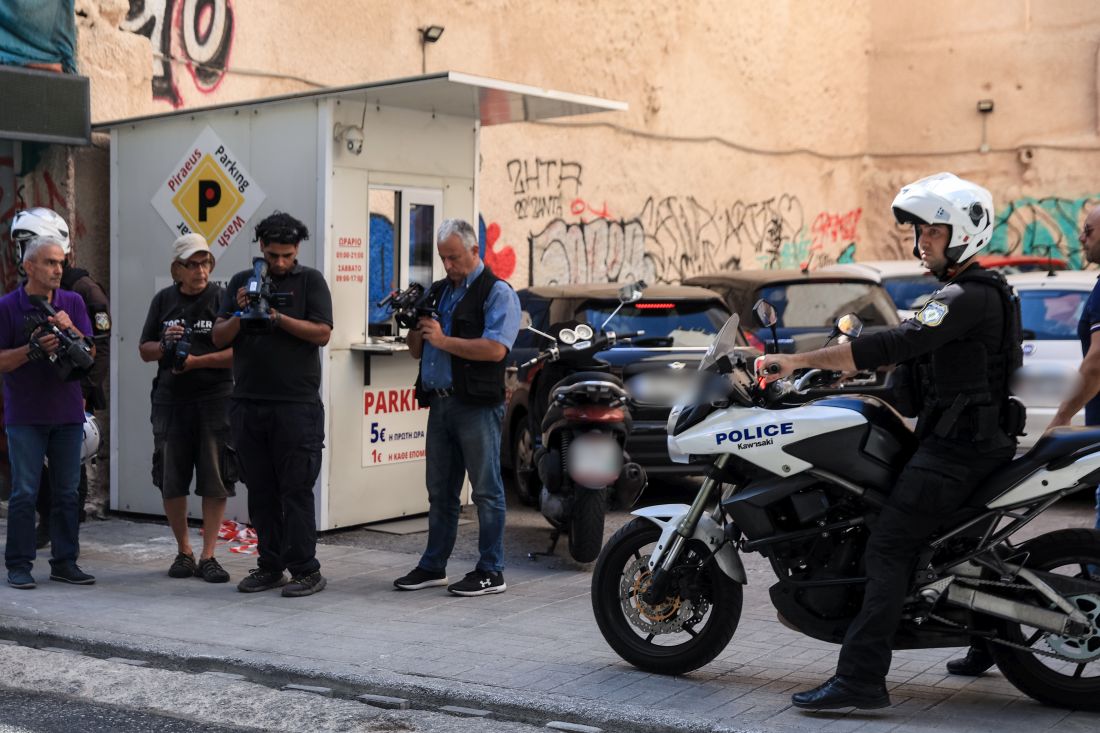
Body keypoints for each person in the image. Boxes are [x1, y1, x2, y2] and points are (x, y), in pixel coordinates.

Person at [758, 173, 1022, 709]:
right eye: (919, 232)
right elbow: (913, 366)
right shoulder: (965, 293)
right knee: (944, 538)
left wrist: (798, 360)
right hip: (963, 441)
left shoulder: (966, 296)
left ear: (963, 235)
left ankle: (860, 679)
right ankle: (987, 637)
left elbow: (898, 342)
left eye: (933, 232)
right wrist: (840, 374)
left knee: (889, 545)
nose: (922, 242)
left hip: (958, 451)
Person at [393, 218, 520, 597]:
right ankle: (433, 565)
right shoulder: (438, 291)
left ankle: (491, 570)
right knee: (440, 492)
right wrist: (417, 325)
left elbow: (495, 349)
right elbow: (416, 350)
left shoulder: (497, 292)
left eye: (454, 257)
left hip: (477, 406)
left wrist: (444, 340)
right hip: (440, 403)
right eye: (443, 258)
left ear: (474, 250)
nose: (448, 265)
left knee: (486, 492)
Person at [213, 212, 332, 597]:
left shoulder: (310, 281)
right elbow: (218, 337)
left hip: (297, 406)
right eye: (272, 255)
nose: (279, 262)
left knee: (296, 490)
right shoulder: (240, 282)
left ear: (297, 249)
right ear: (261, 247)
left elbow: (323, 333)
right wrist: (242, 312)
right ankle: (270, 566)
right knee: (261, 491)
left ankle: (306, 570)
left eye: (287, 255)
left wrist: (277, 316)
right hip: (248, 404)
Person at [0, 235, 97, 589]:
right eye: (50, 262)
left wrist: (71, 329)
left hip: (67, 413)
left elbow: (90, 353)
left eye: (61, 263)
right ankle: (19, 564)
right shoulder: (8, 306)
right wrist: (32, 350)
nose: (58, 269)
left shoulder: (73, 302)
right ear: (29, 266)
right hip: (25, 415)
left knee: (68, 492)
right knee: (25, 492)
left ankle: (65, 562)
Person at [9, 208, 111, 543]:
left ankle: (67, 537)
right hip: (33, 401)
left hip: (74, 395)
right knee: (34, 474)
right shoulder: (26, 291)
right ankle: (45, 525)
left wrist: (84, 391)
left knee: (70, 474)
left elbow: (99, 345)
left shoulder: (81, 289)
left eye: (26, 242)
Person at [139, 234, 235, 583]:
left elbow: (238, 353)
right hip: (170, 400)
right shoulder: (163, 300)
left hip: (214, 398)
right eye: (192, 265)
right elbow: (144, 349)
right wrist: (165, 347)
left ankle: (209, 555)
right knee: (171, 477)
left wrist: (196, 361)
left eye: (205, 263)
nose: (200, 271)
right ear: (176, 269)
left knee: (215, 477)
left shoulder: (222, 299)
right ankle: (184, 551)